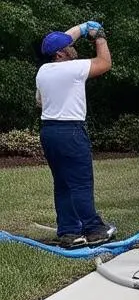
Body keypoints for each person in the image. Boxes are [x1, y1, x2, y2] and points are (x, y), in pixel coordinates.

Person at [35, 22, 117, 249]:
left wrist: (82, 29)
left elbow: (39, 102)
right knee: (81, 183)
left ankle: (69, 232)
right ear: (61, 53)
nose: (73, 47)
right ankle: (95, 230)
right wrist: (99, 37)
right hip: (71, 130)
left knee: (62, 184)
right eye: (69, 46)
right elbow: (105, 63)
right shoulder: (73, 68)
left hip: (49, 131)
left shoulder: (43, 71)